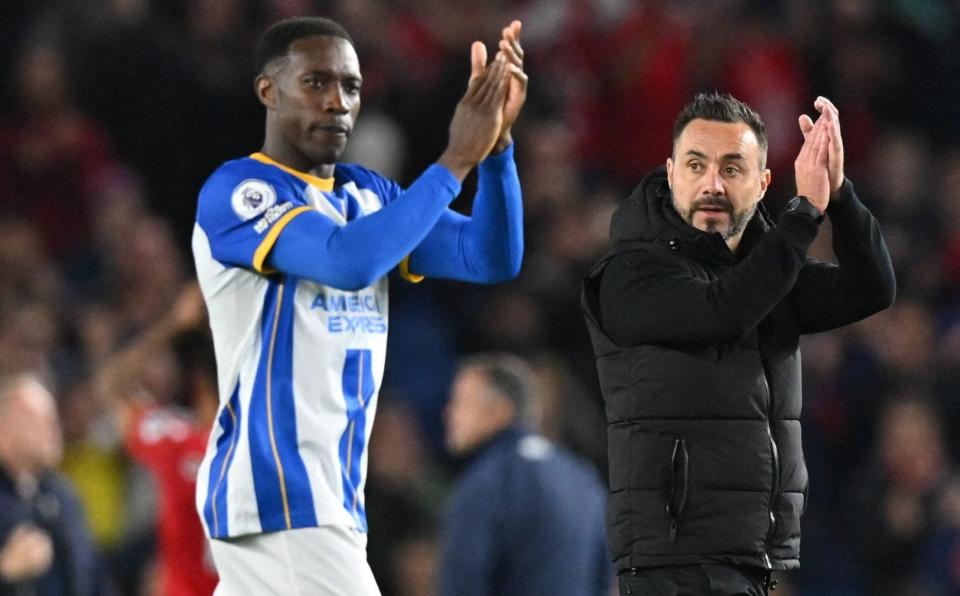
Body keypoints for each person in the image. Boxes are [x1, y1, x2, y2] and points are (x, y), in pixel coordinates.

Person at [191, 16, 527, 595]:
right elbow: (347, 262)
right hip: (281, 496)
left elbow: (489, 256)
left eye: (350, 86)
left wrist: (495, 151)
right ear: (268, 91)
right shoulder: (241, 191)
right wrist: (454, 161)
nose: (337, 103)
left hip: (330, 502)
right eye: (316, 83)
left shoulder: (368, 196)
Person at [580, 92, 896, 595]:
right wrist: (803, 213)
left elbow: (872, 289)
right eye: (696, 164)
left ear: (762, 181)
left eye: (732, 168)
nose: (712, 184)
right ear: (670, 172)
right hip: (676, 564)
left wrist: (838, 195)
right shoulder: (631, 272)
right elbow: (722, 312)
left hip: (753, 559)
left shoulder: (767, 274)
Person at [438, 353, 611, 596]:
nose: (448, 413)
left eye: (460, 402)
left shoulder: (486, 482)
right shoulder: (582, 477)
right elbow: (604, 579)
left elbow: (462, 584)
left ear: (500, 410)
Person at [92, 282, 219, 596]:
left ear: (200, 388)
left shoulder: (178, 442)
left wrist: (174, 323)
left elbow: (109, 385)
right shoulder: (270, 453)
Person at [0, 374, 110, 595]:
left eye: (52, 418)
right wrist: (5, 572)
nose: (52, 428)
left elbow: (93, 574)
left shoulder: (63, 494)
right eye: (36, 419)